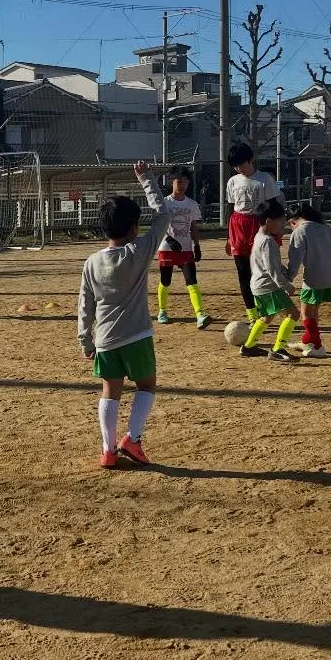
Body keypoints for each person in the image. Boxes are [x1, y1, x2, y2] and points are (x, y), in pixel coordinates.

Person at [77, 161, 170, 469]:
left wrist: (85, 340)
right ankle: (132, 438)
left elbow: (85, 302)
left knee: (110, 391)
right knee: (147, 385)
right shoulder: (138, 252)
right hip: (137, 336)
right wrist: (146, 179)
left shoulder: (91, 262)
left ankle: (107, 450)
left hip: (104, 339)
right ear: (133, 228)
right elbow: (164, 215)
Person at [286, 202, 331, 358]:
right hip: (330, 278)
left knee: (306, 314)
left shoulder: (300, 231)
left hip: (314, 279)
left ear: (292, 221)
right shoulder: (324, 227)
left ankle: (318, 347)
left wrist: (287, 278)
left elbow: (295, 260)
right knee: (314, 311)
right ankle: (306, 341)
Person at [241, 198, 298, 364]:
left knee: (267, 317)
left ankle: (248, 346)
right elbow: (272, 269)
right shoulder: (268, 242)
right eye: (280, 220)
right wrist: (286, 285)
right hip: (269, 287)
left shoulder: (260, 237)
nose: (282, 224)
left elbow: (271, 263)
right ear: (269, 221)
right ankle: (277, 350)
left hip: (258, 286)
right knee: (293, 314)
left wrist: (284, 271)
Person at [156, 166, 211, 329]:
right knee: (165, 281)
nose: (182, 185)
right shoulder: (164, 203)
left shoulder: (192, 204)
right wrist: (168, 239)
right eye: (179, 181)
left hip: (186, 248)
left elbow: (193, 226)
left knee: (192, 280)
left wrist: (197, 245)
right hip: (167, 248)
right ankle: (162, 311)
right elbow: (158, 225)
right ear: (172, 182)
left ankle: (200, 314)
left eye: (185, 182)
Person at [224, 143, 267, 325]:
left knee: (262, 272)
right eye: (235, 166)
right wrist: (229, 236)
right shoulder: (233, 181)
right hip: (238, 227)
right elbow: (230, 207)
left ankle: (265, 310)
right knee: (243, 273)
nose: (238, 168)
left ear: (251, 160)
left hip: (258, 226)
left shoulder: (264, 179)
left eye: (241, 164)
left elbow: (273, 207)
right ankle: (252, 314)